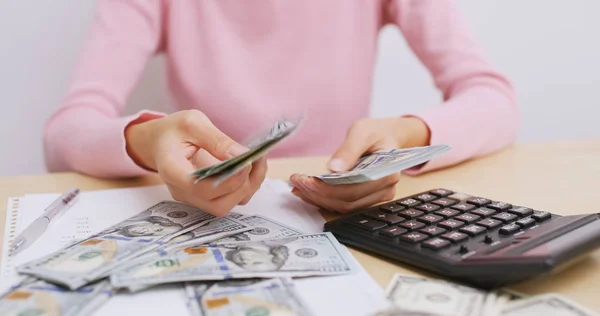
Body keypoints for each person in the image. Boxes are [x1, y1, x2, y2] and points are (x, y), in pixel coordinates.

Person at [43, 1, 518, 216]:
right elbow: (66, 134)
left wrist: (406, 136)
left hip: (343, 223)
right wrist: (147, 140)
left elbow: (494, 99)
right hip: (209, 220)